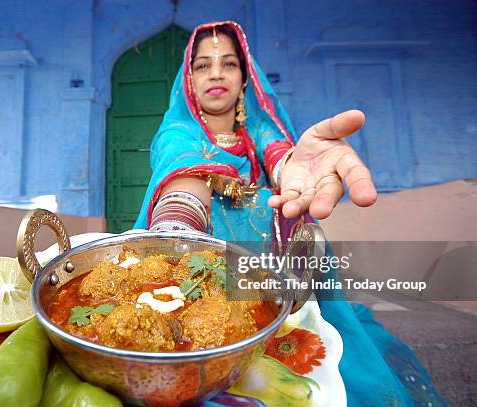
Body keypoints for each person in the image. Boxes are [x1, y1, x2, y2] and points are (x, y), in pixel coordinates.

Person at [134, 21, 445, 406]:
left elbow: (283, 157)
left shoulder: (260, 134)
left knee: (339, 378)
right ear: (189, 81)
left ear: (245, 81)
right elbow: (186, 172)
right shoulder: (177, 134)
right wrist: (177, 235)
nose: (216, 73)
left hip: (284, 287)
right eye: (203, 65)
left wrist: (296, 170)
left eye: (229, 64)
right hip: (200, 285)